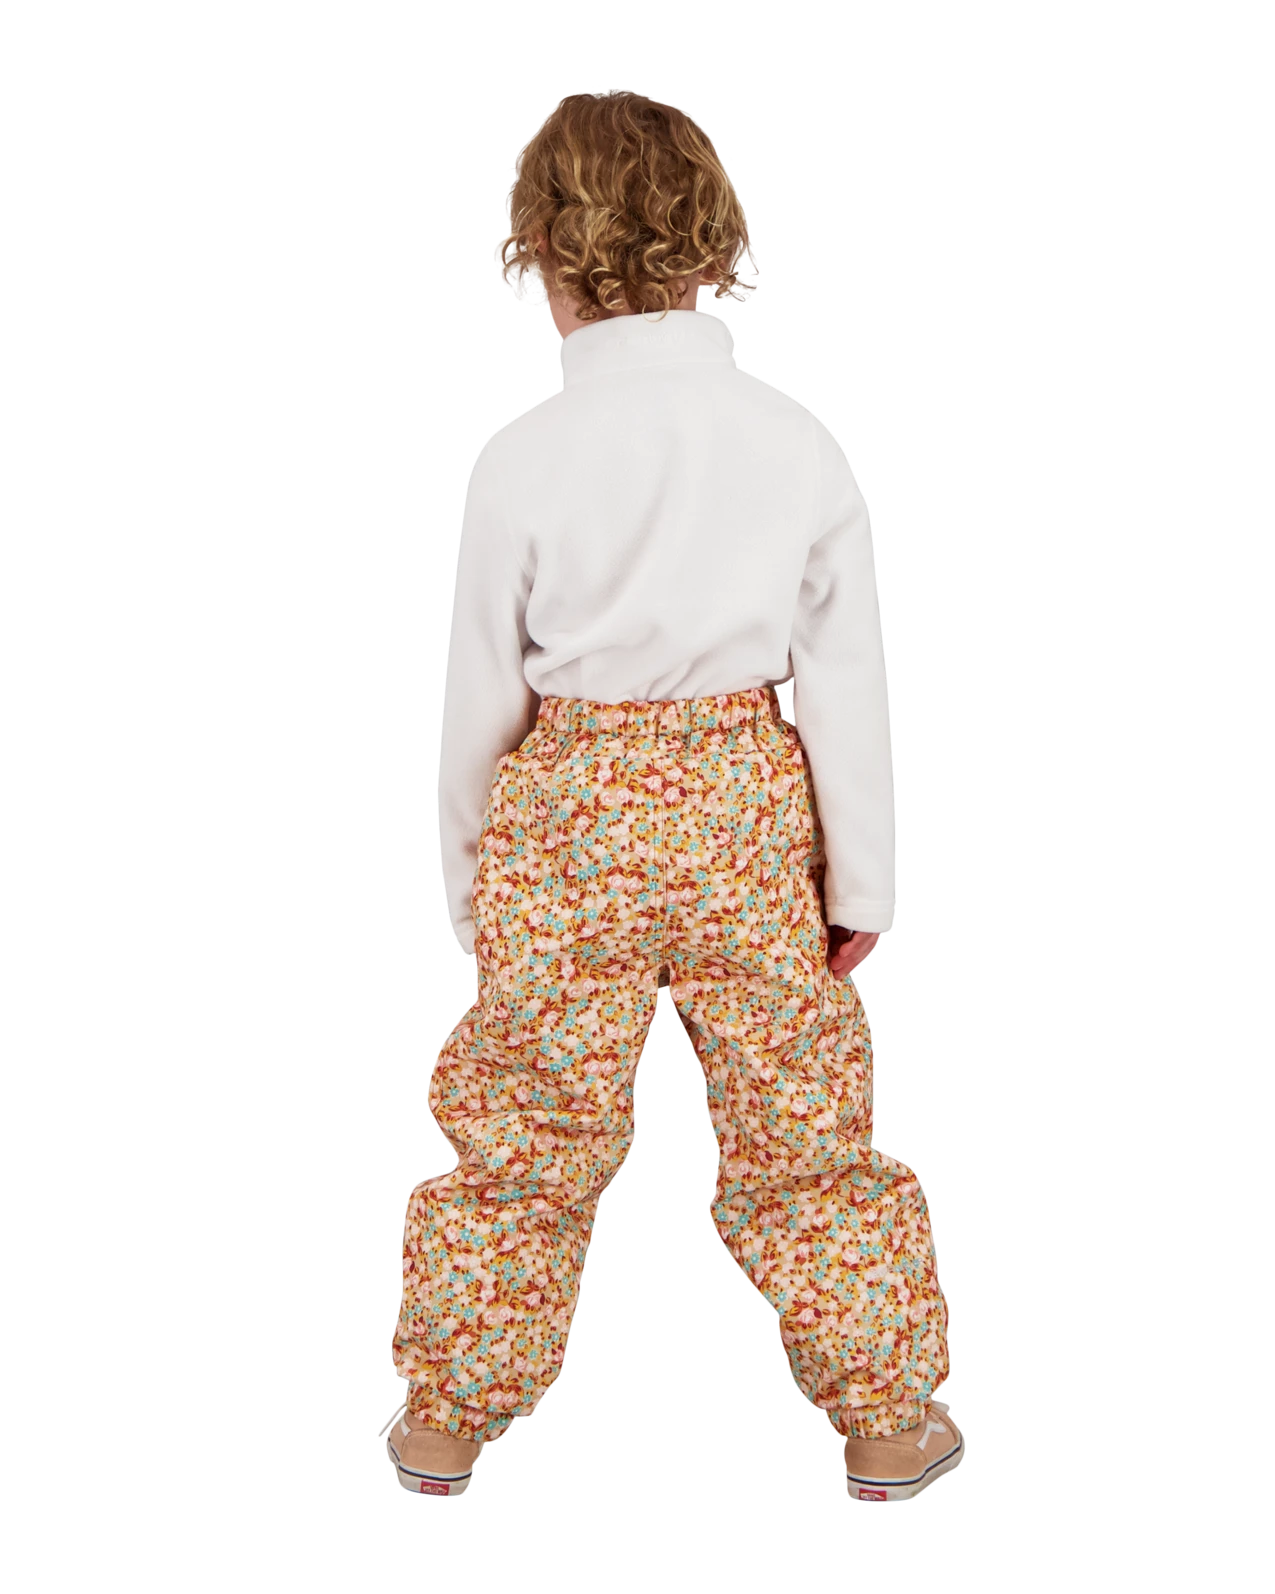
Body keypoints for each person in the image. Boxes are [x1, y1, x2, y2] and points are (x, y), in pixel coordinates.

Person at [387, 89, 960, 1503]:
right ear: (714, 237)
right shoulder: (794, 436)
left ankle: (442, 1419)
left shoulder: (521, 452)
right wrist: (862, 882)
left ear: (538, 247)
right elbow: (846, 681)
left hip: (568, 805)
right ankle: (886, 1421)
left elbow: (478, 694)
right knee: (802, 1125)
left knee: (525, 1122)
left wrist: (468, 876)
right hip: (744, 804)